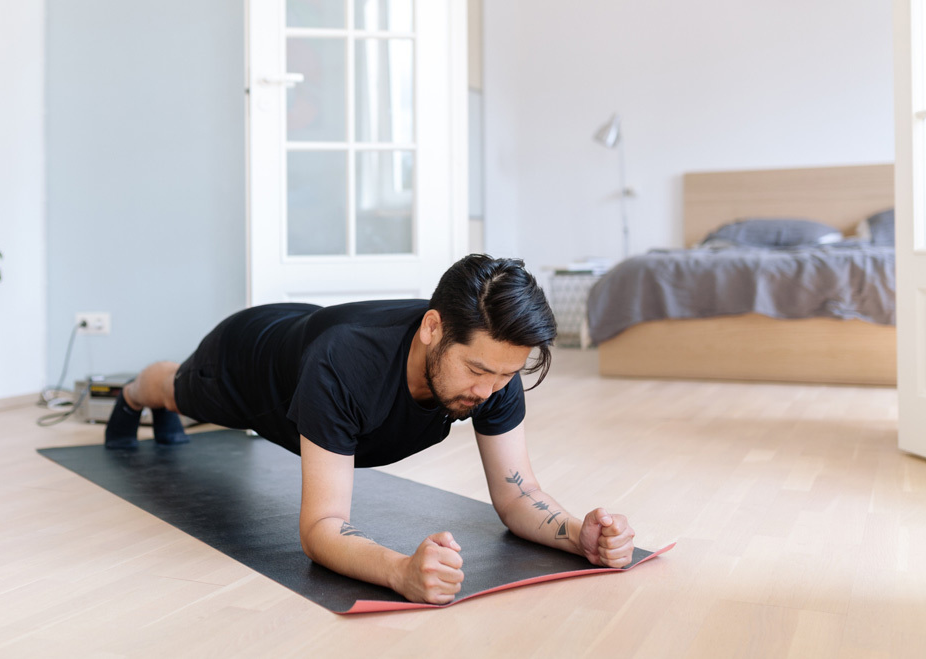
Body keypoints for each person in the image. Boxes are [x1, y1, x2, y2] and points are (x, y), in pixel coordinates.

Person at [105, 254, 636, 604]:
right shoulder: (342, 365)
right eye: (477, 371)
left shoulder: (493, 370)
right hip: (245, 360)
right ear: (433, 329)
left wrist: (576, 535)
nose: (489, 391)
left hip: (309, 335)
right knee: (174, 389)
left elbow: (521, 495)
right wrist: (401, 572)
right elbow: (321, 527)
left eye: (505, 375)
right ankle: (130, 396)